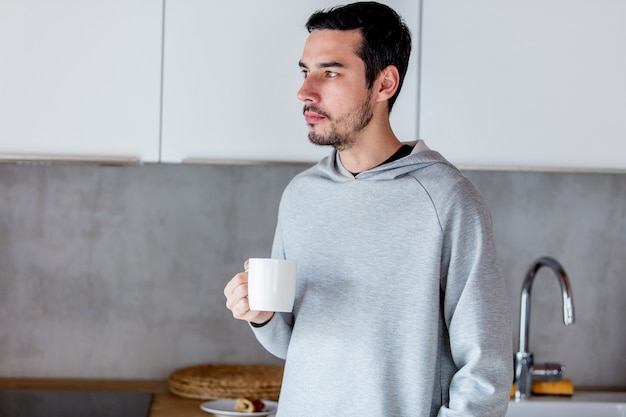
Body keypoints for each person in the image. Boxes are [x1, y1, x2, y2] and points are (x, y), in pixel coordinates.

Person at [224, 2, 513, 416]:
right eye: (305, 71)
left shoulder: (448, 199)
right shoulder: (302, 195)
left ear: (384, 83)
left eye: (331, 72)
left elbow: (485, 369)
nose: (305, 91)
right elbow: (293, 344)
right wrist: (262, 316)